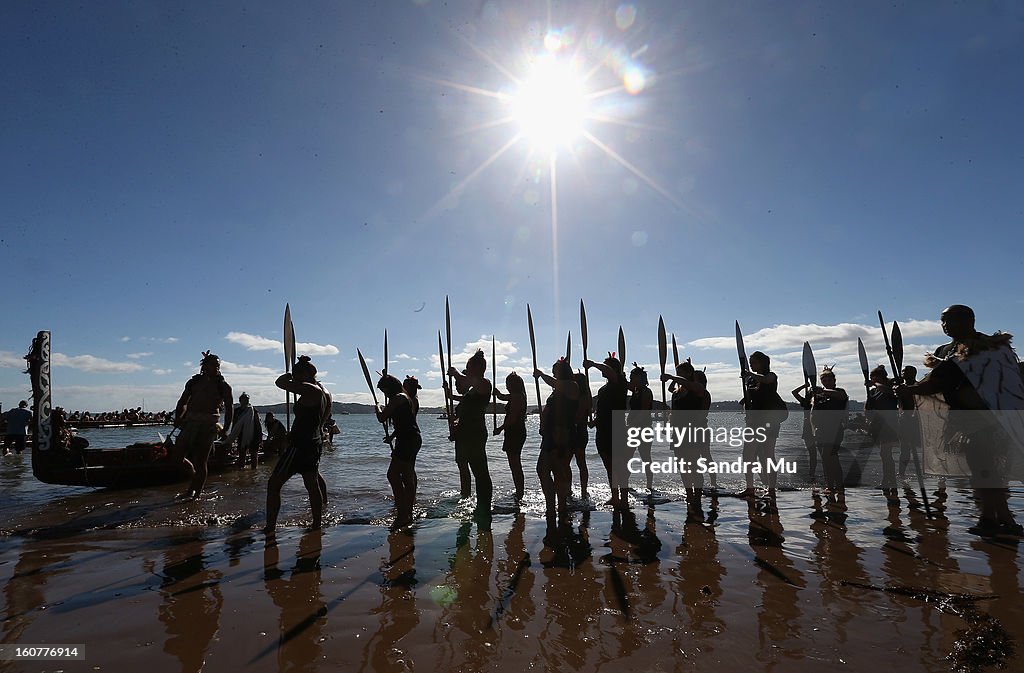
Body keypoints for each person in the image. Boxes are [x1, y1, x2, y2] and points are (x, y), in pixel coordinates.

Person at [897, 304, 1023, 536]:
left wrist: (911, 390)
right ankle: (999, 519)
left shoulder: (986, 347)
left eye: (951, 320)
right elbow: (936, 379)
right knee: (982, 470)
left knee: (987, 470)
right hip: (964, 419)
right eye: (943, 320)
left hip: (989, 419)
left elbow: (941, 380)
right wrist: (911, 390)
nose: (945, 325)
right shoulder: (945, 350)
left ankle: (997, 519)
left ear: (969, 321)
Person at [265, 355, 331, 533]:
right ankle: (317, 524)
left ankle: (270, 526)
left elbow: (280, 383)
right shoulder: (325, 392)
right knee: (311, 483)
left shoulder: (310, 389)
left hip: (300, 444)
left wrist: (287, 376)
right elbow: (323, 419)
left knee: (274, 484)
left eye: (297, 374)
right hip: (314, 441)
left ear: (302, 374)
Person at [173, 352, 233, 500]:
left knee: (201, 461)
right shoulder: (193, 382)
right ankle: (194, 477)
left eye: (218, 366)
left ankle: (195, 494)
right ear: (204, 365)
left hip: (208, 426)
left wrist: (225, 428)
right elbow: (182, 402)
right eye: (213, 365)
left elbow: (230, 408)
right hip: (190, 423)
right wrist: (178, 417)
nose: (216, 368)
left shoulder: (223, 386)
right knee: (176, 457)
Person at [662, 359, 712, 519]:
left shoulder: (697, 388)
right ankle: (689, 493)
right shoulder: (678, 392)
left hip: (693, 432)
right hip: (678, 433)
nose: (678, 377)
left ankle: (697, 495)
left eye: (681, 374)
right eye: (678, 374)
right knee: (682, 466)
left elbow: (690, 386)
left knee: (693, 465)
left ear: (689, 374)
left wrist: (672, 377)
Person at [445, 350, 493, 516]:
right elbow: (464, 411)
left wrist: (456, 373)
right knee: (464, 467)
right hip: (465, 434)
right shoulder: (471, 390)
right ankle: (466, 498)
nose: (467, 369)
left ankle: (484, 506)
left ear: (478, 367)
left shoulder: (485, 384)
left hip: (476, 434)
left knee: (480, 472)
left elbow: (466, 380)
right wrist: (455, 428)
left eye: (468, 367)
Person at [535, 358, 580, 517]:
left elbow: (555, 383)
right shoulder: (557, 391)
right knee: (542, 469)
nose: (554, 374)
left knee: (558, 470)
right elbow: (548, 409)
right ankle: (551, 504)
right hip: (550, 435)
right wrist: (542, 424)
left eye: (556, 372)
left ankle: (560, 507)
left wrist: (541, 375)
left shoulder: (571, 386)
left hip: (563, 435)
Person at [376, 374, 422, 528]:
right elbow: (405, 421)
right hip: (410, 438)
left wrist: (377, 406)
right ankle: (407, 512)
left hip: (407, 441)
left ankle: (403, 513)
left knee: (393, 475)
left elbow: (382, 417)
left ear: (389, 388)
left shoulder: (398, 398)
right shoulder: (405, 398)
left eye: (384, 390)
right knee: (407, 476)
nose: (385, 394)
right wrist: (393, 436)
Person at [584, 353, 628, 508]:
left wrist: (593, 363)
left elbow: (610, 372)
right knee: (609, 465)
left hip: (616, 429)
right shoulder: (605, 388)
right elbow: (603, 409)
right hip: (602, 430)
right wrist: (594, 422)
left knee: (619, 465)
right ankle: (615, 496)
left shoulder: (620, 382)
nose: (603, 369)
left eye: (605, 366)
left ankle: (624, 498)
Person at [810, 365, 849, 497]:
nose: (826, 383)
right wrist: (813, 429)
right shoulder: (818, 395)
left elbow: (841, 396)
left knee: (831, 456)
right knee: (825, 459)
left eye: (829, 380)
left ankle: (838, 485)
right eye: (824, 381)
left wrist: (822, 390)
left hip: (835, 430)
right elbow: (813, 413)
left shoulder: (840, 392)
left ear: (834, 380)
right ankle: (830, 485)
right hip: (820, 430)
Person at [864, 365, 900, 499]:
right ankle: (888, 481)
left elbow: (891, 393)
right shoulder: (874, 391)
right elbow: (868, 407)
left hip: (890, 425)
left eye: (874, 377)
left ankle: (890, 482)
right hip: (877, 425)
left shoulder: (891, 387)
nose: (872, 380)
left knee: (886, 453)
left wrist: (875, 383)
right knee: (884, 454)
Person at [494, 372, 528, 502]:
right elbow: (503, 397)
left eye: (508, 383)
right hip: (515, 432)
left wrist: (499, 429)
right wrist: (496, 393)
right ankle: (519, 490)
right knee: (514, 463)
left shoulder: (518, 397)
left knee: (515, 464)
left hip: (515, 432)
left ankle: (520, 492)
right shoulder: (517, 396)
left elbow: (512, 418)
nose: (506, 386)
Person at [627, 364, 655, 494]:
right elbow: (625, 384)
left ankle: (649, 485)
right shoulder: (636, 391)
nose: (630, 379)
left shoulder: (646, 392)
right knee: (628, 456)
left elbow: (643, 412)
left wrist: (631, 426)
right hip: (633, 428)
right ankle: (625, 483)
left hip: (643, 428)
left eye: (632, 377)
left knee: (645, 457)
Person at [225, 392, 262, 468]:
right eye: (244, 399)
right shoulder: (237, 411)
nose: (246, 401)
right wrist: (233, 437)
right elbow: (235, 424)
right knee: (242, 452)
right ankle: (241, 471)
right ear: (240, 401)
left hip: (253, 434)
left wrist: (259, 437)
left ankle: (254, 471)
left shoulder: (253, 411)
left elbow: (258, 424)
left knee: (254, 454)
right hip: (241, 434)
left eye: (247, 399)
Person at [896, 366, 920, 479]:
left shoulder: (918, 387)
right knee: (905, 449)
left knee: (919, 448)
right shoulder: (899, 387)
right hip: (904, 421)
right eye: (903, 371)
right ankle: (902, 473)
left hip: (916, 422)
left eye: (905, 371)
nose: (902, 373)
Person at [572, 371, 593, 500]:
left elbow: (579, 416)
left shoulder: (584, 398)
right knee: (568, 462)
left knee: (581, 462)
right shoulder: (576, 396)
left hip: (579, 431)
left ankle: (584, 490)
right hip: (576, 431)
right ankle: (568, 489)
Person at [791, 382, 817, 482]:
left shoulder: (822, 403)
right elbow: (794, 392)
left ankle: (815, 473)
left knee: (820, 454)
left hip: (818, 429)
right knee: (812, 453)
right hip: (808, 430)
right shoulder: (806, 403)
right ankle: (812, 474)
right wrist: (805, 386)